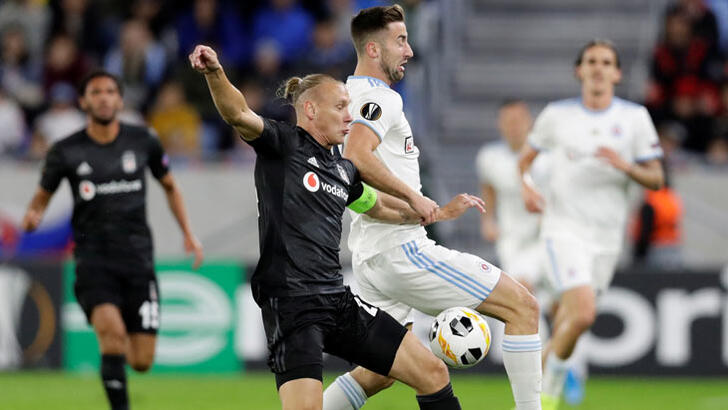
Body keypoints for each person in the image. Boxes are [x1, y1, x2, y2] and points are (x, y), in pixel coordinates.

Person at [190, 44, 486, 410]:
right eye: (341, 106)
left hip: (336, 300)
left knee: (432, 373)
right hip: (293, 305)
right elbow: (237, 114)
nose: (350, 115)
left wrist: (436, 212)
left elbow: (379, 207)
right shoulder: (283, 145)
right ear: (311, 110)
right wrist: (215, 72)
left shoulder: (343, 169)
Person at [323, 6, 542, 410]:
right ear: (373, 49)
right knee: (523, 306)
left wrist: (429, 210)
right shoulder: (380, 98)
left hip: (371, 255)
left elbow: (356, 165)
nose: (409, 50)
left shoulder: (345, 99)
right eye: (400, 41)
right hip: (401, 251)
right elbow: (356, 154)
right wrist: (415, 199)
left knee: (378, 373)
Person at [21, 70, 204, 410]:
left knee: (142, 360)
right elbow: (41, 197)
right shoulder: (65, 151)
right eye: (96, 92)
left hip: (138, 260)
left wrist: (188, 233)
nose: (104, 97)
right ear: (83, 101)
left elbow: (169, 186)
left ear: (119, 100)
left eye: (109, 91)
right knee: (112, 335)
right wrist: (33, 215)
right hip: (93, 260)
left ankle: (118, 367)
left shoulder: (143, 140)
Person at [518, 39, 665, 410]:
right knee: (583, 312)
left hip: (607, 239)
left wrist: (626, 166)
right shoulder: (557, 115)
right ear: (579, 70)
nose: (598, 68)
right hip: (563, 230)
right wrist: (528, 188)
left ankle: (549, 373)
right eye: (591, 61)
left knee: (572, 320)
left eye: (606, 62)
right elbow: (525, 160)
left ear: (617, 73)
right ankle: (549, 388)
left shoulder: (634, 118)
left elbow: (657, 178)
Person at [477, 99, 548, 295]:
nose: (514, 127)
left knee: (527, 290)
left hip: (543, 235)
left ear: (529, 122)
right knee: (521, 291)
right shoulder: (489, 157)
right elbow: (488, 188)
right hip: (510, 236)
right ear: (500, 124)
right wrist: (487, 220)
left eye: (518, 120)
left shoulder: (548, 158)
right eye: (508, 121)